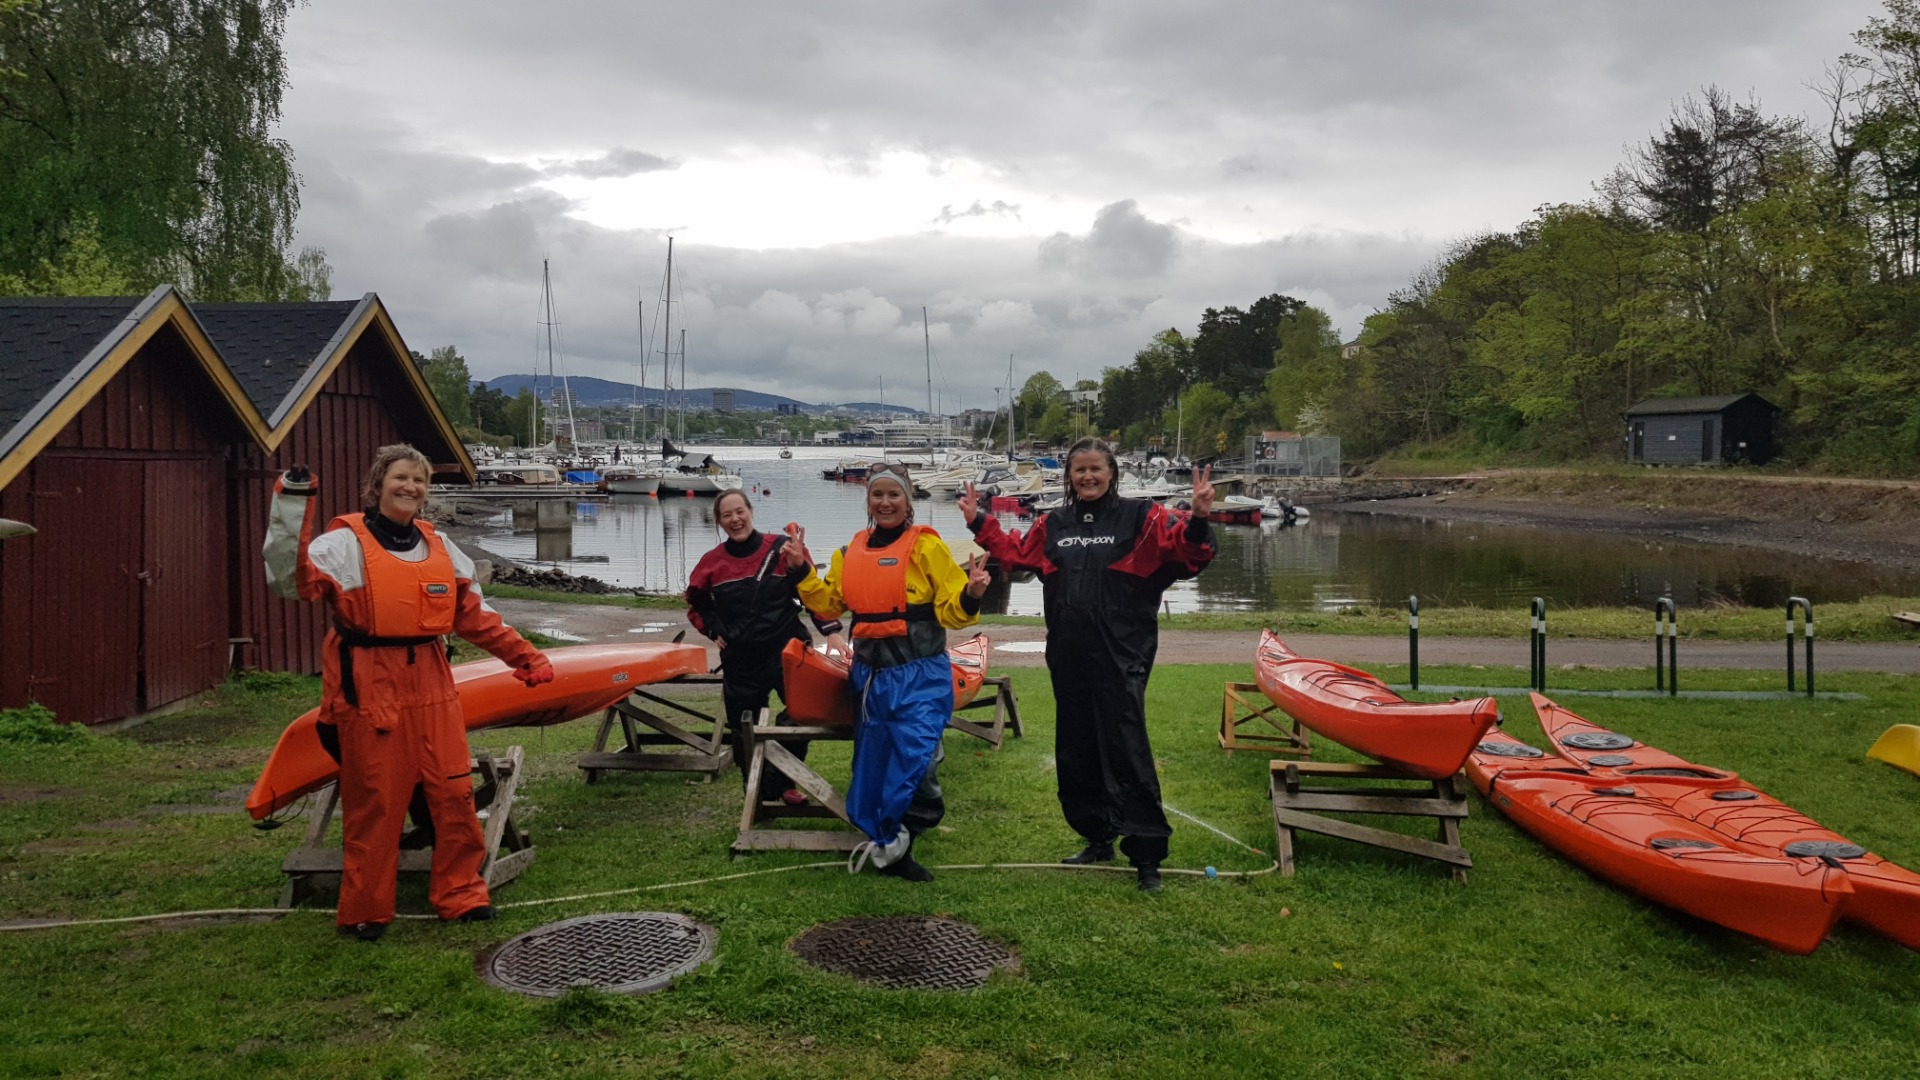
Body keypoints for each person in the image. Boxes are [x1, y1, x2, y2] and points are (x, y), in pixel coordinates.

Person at [263, 445, 554, 941]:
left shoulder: (440, 547)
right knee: (376, 802)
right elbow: (292, 582)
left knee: (455, 795)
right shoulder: (344, 544)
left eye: (419, 481)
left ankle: (461, 894)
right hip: (369, 687)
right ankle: (365, 910)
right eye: (401, 478)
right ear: (377, 485)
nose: (411, 487)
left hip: (433, 685)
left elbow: (476, 618)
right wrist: (293, 506)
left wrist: (527, 658)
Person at [958, 438, 1214, 891]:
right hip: (1069, 652)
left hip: (1122, 653)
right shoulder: (1052, 523)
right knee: (1077, 748)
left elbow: (1188, 555)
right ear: (1068, 476)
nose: (1088, 477)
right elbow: (1016, 554)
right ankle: (1097, 836)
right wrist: (980, 521)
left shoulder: (1143, 517)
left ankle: (1146, 854)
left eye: (1096, 469)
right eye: (1080, 470)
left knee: (1125, 748)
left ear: (1112, 472)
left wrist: (1197, 518)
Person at [784, 462, 991, 882]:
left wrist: (970, 594)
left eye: (893, 495)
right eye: (877, 495)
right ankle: (888, 841)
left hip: (921, 673)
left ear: (907, 499)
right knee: (876, 763)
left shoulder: (927, 549)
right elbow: (827, 605)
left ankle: (909, 834)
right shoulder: (849, 553)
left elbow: (952, 612)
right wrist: (803, 572)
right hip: (871, 677)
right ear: (868, 501)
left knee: (919, 760)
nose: (885, 502)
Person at [686, 488, 844, 805]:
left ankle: (782, 780)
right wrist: (713, 628)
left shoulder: (783, 549)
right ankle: (756, 795)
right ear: (718, 521)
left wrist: (832, 631)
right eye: (727, 515)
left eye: (739, 511)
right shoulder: (711, 564)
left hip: (788, 650)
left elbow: (811, 591)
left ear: (751, 511)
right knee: (743, 728)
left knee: (803, 714)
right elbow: (697, 604)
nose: (735, 519)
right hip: (741, 659)